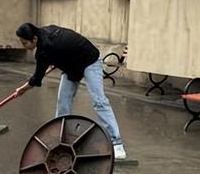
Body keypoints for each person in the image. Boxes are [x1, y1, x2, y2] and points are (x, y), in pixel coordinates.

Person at [15, 23, 127, 161]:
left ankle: (117, 144)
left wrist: (22, 89)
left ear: (35, 39)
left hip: (89, 61)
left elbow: (37, 78)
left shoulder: (45, 49)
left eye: (25, 43)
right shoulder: (45, 34)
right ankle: (60, 139)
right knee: (63, 103)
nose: (23, 46)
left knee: (100, 101)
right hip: (71, 66)